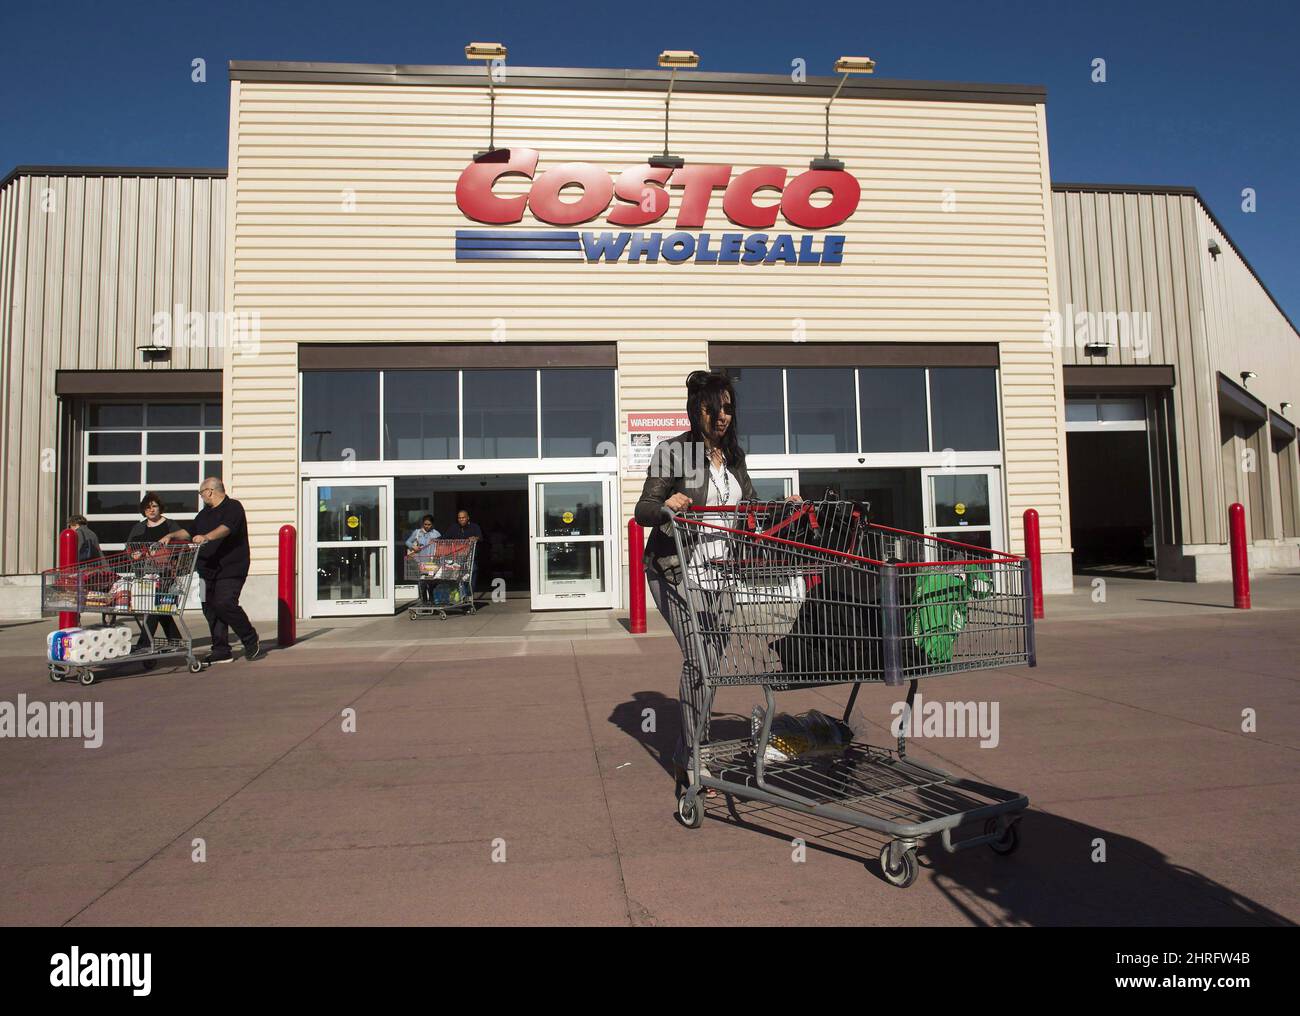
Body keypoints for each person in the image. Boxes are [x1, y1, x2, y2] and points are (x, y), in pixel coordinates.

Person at [634, 370, 798, 797]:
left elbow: (754, 508)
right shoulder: (675, 452)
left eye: (727, 408)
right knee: (699, 662)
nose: (721, 416)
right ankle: (689, 757)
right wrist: (666, 502)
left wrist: (786, 506)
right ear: (697, 409)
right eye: (712, 408)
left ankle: (688, 748)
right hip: (674, 569)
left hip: (720, 574)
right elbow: (643, 508)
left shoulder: (735, 457)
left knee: (712, 669)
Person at [166, 478, 262, 664]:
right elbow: (188, 532)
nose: (201, 496)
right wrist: (171, 536)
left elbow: (226, 529)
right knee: (209, 608)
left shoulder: (233, 507)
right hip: (205, 569)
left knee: (224, 603)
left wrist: (206, 537)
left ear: (209, 491)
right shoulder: (204, 515)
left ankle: (250, 639)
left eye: (201, 493)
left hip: (231, 568)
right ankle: (221, 650)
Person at [125, 493, 183, 654]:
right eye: (148, 507)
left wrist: (170, 536)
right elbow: (130, 548)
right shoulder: (139, 528)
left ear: (160, 508)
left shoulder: (169, 524)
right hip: (146, 574)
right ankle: (175, 640)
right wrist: (134, 554)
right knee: (161, 608)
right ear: (143, 510)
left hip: (165, 574)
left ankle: (144, 643)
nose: (151, 510)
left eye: (154, 506)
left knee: (154, 608)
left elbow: (186, 534)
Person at [444, 508, 483, 597]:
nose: (461, 519)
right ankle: (462, 598)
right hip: (458, 559)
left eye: (463, 518)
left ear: (468, 518)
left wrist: (475, 538)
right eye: (459, 518)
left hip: (471, 558)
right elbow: (445, 537)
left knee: (471, 578)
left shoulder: (474, 527)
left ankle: (469, 597)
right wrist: (435, 540)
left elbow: (480, 537)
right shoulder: (454, 527)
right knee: (459, 579)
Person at [405, 515, 442, 604]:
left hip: (431, 562)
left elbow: (440, 547)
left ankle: (431, 601)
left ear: (432, 524)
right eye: (425, 524)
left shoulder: (436, 534)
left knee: (431, 582)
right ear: (422, 523)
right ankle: (424, 601)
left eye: (429, 524)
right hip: (419, 561)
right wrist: (413, 547)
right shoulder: (417, 532)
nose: (427, 526)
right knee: (422, 583)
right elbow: (407, 542)